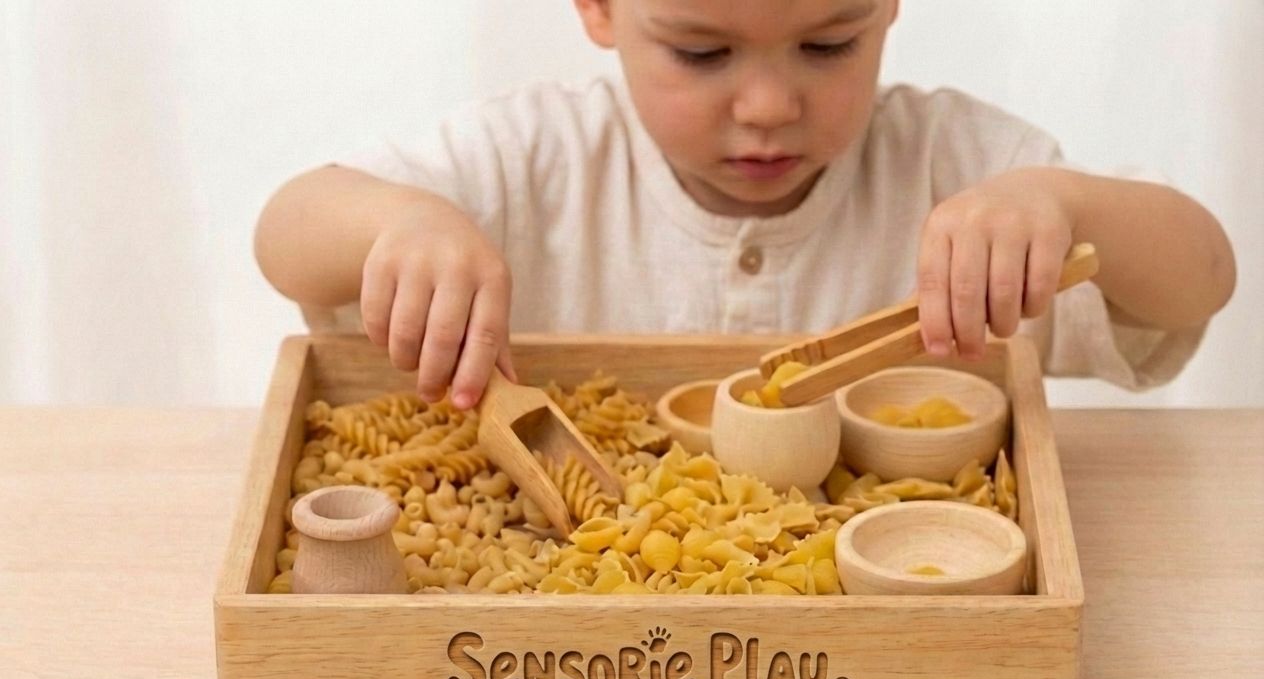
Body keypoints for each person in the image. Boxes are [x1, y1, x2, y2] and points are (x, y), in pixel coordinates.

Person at [254, 0, 1235, 411]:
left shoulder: (956, 165)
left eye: (826, 45)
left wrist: (1060, 203)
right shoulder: (527, 155)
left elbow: (1200, 279)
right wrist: (401, 223)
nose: (768, 106)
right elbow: (288, 231)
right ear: (597, 7)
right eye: (702, 53)